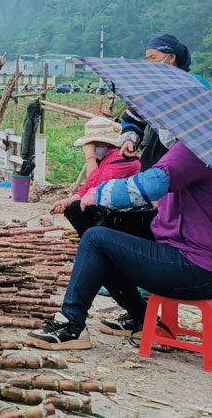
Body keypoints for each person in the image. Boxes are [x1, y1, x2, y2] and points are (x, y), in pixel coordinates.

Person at [26, 140, 212, 350]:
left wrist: (101, 194)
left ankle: (71, 323)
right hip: (196, 261)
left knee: (96, 240)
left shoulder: (197, 146)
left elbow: (154, 183)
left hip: (195, 266)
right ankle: (141, 317)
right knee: (104, 243)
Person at [50, 117, 144, 238]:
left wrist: (90, 156)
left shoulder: (122, 157)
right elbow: (87, 188)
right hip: (114, 207)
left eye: (93, 144)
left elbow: (96, 185)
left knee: (77, 208)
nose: (91, 148)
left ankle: (99, 241)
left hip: (129, 212)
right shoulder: (106, 157)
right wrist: (64, 202)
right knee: (71, 207)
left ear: (104, 142)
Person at [119, 34, 197, 170]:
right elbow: (133, 120)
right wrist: (129, 139)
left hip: (183, 164)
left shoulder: (194, 87)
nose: (149, 63)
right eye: (147, 59)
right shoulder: (152, 91)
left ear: (171, 58)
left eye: (153, 58)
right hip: (153, 162)